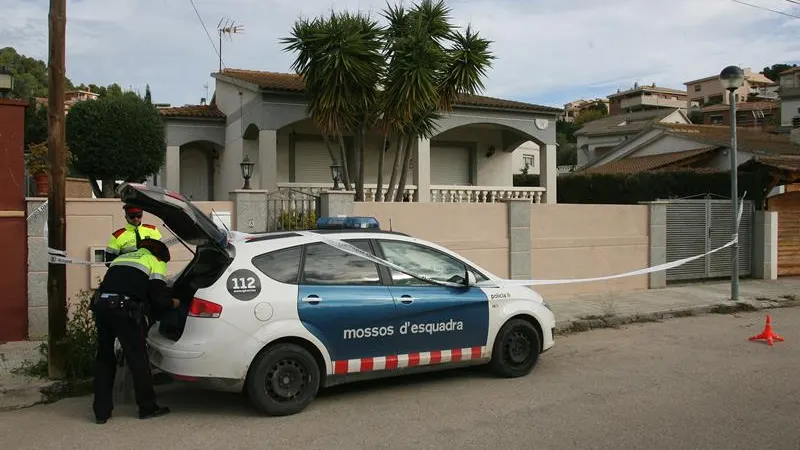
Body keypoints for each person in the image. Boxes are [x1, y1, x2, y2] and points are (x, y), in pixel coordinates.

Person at [91, 237, 179, 424]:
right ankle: (147, 408)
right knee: (138, 358)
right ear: (161, 255)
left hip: (102, 306)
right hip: (124, 310)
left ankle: (101, 412)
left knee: (104, 358)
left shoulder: (121, 258)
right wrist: (173, 302)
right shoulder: (155, 262)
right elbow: (158, 296)